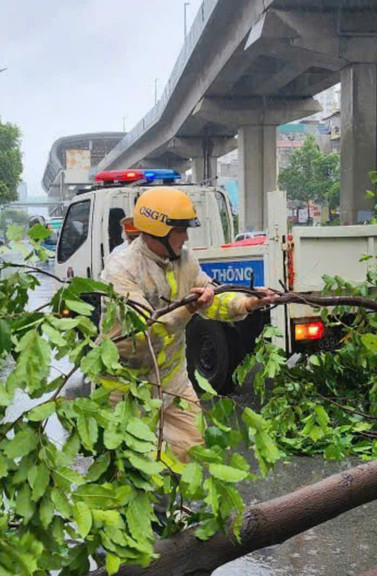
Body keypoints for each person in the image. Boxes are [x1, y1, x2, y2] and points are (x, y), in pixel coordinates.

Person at [101, 187, 276, 461]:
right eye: (180, 229)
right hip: (126, 389)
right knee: (134, 469)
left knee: (191, 452)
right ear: (158, 229)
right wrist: (189, 308)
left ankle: (172, 504)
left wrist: (247, 303)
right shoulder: (121, 269)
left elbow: (211, 295)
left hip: (173, 382)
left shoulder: (186, 260)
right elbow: (144, 329)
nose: (186, 236)